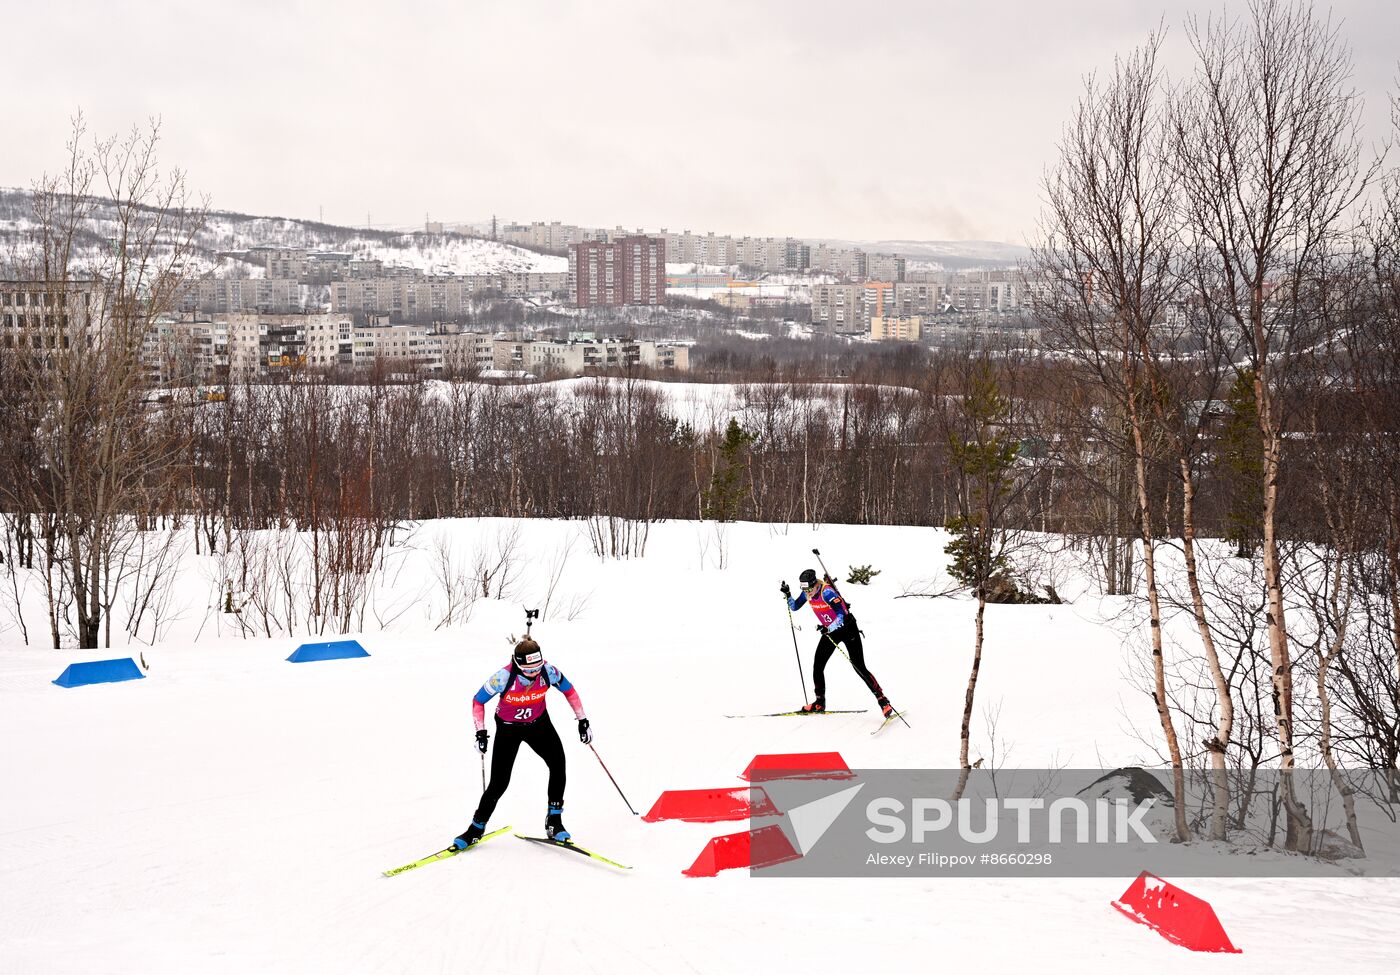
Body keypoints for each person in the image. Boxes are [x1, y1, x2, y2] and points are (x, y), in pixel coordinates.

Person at [453, 638, 591, 848]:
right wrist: (480, 732)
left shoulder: (549, 671)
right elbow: (478, 701)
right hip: (508, 729)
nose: (534, 673)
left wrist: (582, 720)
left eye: (537, 667)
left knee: (558, 764)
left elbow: (569, 691)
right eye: (528, 670)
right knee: (499, 783)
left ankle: (554, 822)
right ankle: (475, 828)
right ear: (517, 664)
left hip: (539, 725)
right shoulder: (503, 677)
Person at [782, 568, 893, 718]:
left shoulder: (826, 592)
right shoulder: (807, 592)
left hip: (848, 629)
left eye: (808, 588)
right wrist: (787, 594)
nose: (807, 592)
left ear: (815, 584)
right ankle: (819, 702)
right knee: (818, 665)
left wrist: (829, 627)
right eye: (803, 589)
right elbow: (794, 607)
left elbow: (841, 613)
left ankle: (883, 701)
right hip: (830, 632)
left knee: (858, 666)